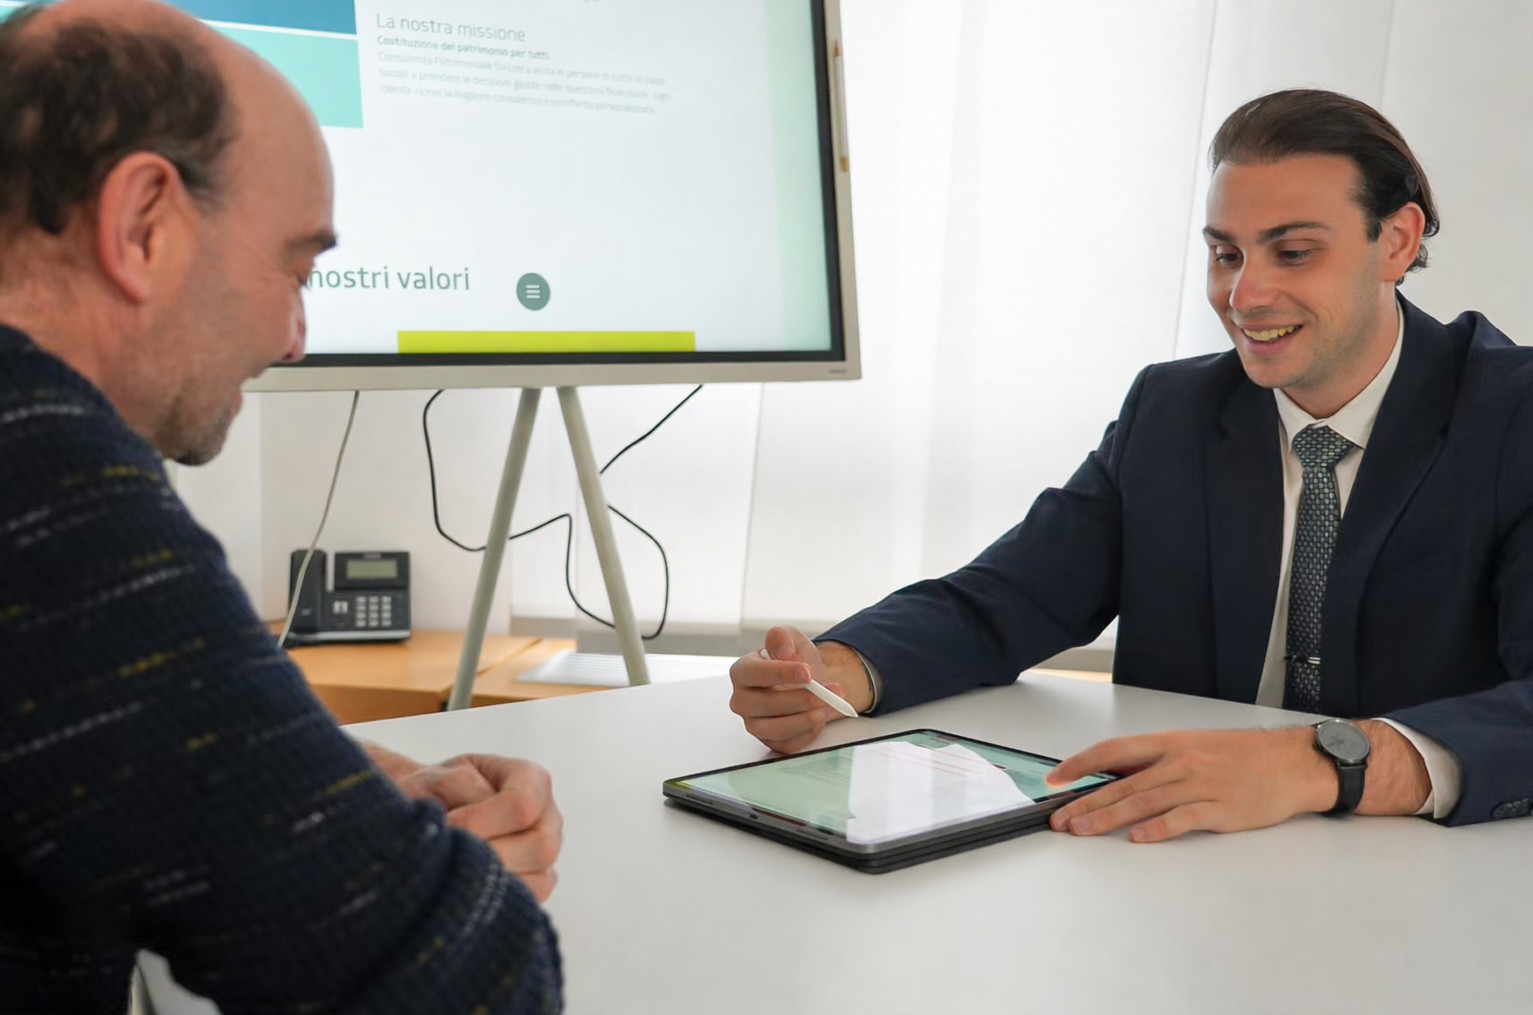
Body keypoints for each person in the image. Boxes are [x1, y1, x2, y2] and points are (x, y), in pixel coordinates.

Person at [730, 88, 1533, 843]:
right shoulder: (1172, 410)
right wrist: (836, 671)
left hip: (1424, 869)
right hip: (1171, 855)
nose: (1244, 295)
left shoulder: (1513, 413)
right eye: (1225, 254)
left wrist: (1321, 761)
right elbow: (1008, 597)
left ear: (1393, 241)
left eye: (1291, 252)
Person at [0, 1, 562, 1010]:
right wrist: (415, 861)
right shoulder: (41, 477)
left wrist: (321, 791)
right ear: (142, 225)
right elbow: (468, 981)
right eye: (297, 267)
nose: (296, 334)